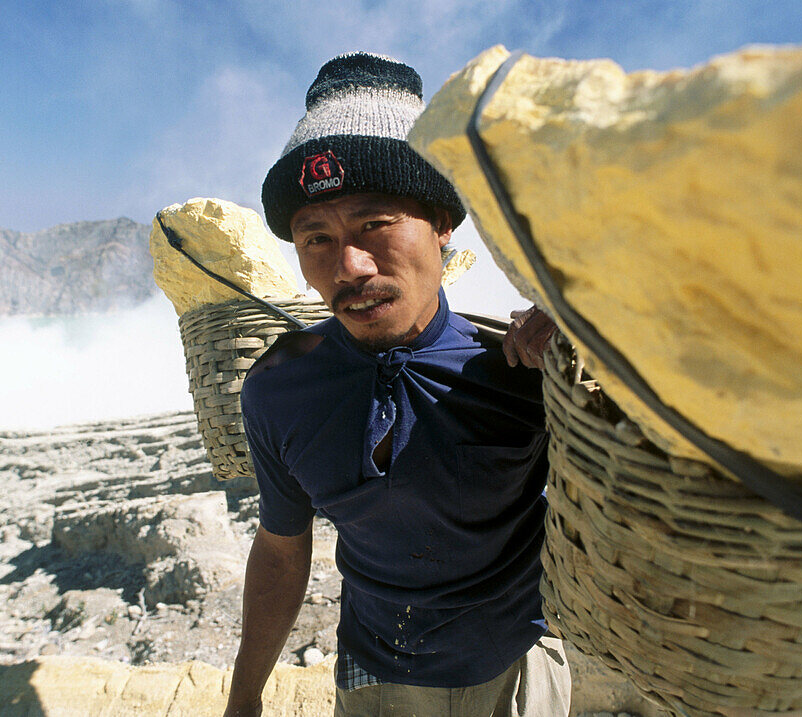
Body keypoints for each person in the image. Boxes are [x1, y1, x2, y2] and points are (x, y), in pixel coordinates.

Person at [223, 52, 568, 717]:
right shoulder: (279, 388)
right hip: (376, 675)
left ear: (442, 225)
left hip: (518, 669)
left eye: (375, 224)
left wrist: (584, 346)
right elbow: (281, 547)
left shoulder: (516, 369)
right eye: (315, 236)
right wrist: (244, 697)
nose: (347, 265)